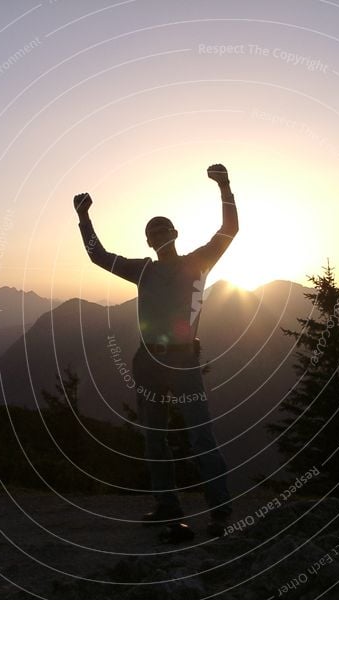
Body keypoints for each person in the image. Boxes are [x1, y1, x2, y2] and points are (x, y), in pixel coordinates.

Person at [74, 163, 238, 541]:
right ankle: (168, 506)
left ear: (175, 233)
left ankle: (220, 514)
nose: (159, 235)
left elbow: (230, 230)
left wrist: (225, 186)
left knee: (200, 436)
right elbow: (98, 255)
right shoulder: (143, 270)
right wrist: (84, 218)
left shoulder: (198, 262)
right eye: (153, 232)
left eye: (163, 229)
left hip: (181, 360)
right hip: (149, 361)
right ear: (149, 242)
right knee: (154, 437)